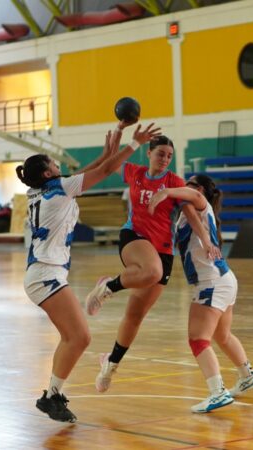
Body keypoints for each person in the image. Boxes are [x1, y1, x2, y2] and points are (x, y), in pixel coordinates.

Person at [17, 121, 160, 422]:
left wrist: (113, 145)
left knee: (74, 337)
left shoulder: (41, 190)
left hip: (43, 273)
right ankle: (51, 396)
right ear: (47, 173)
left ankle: (52, 395)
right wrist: (133, 144)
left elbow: (91, 171)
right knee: (79, 337)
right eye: (54, 164)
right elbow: (103, 172)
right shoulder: (58, 190)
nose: (58, 166)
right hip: (46, 274)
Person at [84, 135, 207, 393]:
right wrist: (122, 134)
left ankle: (111, 363)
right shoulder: (134, 172)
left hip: (163, 249)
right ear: (149, 153)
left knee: (135, 315)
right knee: (151, 271)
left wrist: (206, 239)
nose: (165, 159)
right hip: (134, 237)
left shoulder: (174, 182)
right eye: (160, 153)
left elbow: (191, 213)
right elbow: (110, 160)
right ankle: (109, 287)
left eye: (169, 156)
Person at [148, 174, 253, 413]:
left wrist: (168, 191)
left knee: (198, 339)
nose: (182, 184)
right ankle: (247, 375)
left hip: (211, 281)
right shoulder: (187, 210)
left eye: (187, 182)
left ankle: (217, 392)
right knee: (223, 336)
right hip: (224, 279)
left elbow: (194, 199)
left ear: (198, 188)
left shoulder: (198, 203)